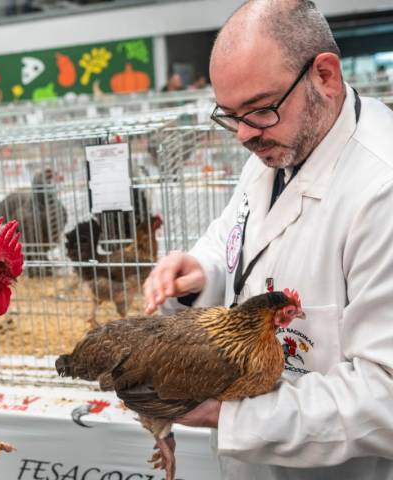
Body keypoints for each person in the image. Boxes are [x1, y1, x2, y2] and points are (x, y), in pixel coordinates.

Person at [144, 1, 393, 479]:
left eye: (258, 109)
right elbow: (239, 234)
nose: (242, 134)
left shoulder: (380, 188)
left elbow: (384, 394)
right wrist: (203, 271)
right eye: (230, 114)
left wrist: (230, 415)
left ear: (325, 75)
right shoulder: (279, 142)